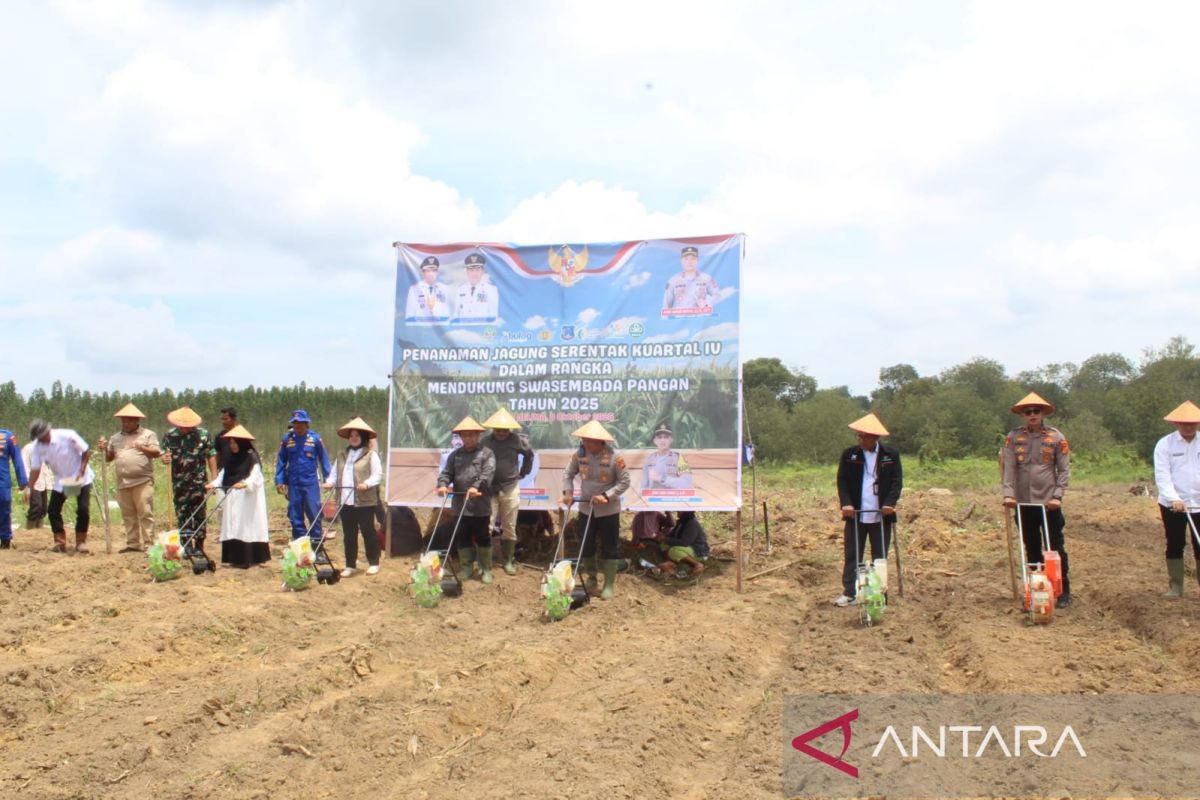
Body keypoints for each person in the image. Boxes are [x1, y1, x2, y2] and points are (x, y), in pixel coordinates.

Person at [1002, 392, 1072, 608]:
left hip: (1048, 500)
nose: (1032, 415)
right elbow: (1009, 466)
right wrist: (1008, 493)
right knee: (1031, 546)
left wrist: (1058, 495)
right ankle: (1035, 588)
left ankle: (1062, 590)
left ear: (1042, 414)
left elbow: (1064, 469)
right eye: (1028, 412)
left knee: (1054, 546)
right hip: (1023, 501)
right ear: (1023, 415)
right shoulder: (1013, 438)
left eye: (1036, 411)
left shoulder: (1056, 437)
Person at [834, 413, 902, 607]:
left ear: (875, 438)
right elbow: (842, 481)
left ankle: (878, 593)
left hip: (881, 514)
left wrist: (890, 503)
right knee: (853, 553)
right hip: (856, 512)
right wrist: (846, 503)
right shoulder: (850, 455)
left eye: (864, 437)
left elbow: (897, 482)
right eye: (859, 436)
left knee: (879, 555)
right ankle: (850, 592)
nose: (860, 440)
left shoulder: (891, 455)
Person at [561, 420, 630, 599]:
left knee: (610, 546)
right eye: (584, 440)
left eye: (590, 441)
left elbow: (625, 481)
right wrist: (568, 493)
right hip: (586, 508)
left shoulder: (615, 457)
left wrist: (606, 496)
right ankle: (591, 578)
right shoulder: (579, 455)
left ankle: (608, 584)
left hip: (608, 510)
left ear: (600, 441)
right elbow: (567, 474)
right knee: (586, 544)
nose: (586, 444)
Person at [437, 416, 496, 583]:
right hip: (460, 503)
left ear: (478, 436)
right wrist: (443, 484)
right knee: (462, 536)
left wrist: (476, 486)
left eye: (472, 435)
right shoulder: (455, 455)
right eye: (465, 435)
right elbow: (446, 473)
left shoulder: (487, 454)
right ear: (460, 437)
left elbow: (487, 474)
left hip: (480, 505)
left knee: (482, 536)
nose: (468, 438)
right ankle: (466, 568)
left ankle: (485, 569)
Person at [324, 417, 384, 577]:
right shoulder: (342, 454)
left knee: (368, 531)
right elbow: (334, 473)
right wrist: (329, 482)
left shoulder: (371, 455)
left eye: (357, 435)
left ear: (363, 437)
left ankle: (373, 562)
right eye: (351, 435)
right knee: (349, 534)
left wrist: (367, 483)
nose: (353, 438)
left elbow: (378, 475)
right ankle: (350, 564)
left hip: (364, 501)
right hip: (345, 500)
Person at [1152, 400, 1200, 597]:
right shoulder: (1165, 444)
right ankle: (1176, 586)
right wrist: (1173, 498)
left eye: (1193, 423)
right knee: (1175, 542)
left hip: (1198, 503)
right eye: (1184, 423)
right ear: (1176, 424)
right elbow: (1162, 475)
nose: (1188, 427)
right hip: (1173, 504)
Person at [99, 403, 161, 553]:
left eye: (128, 421)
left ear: (136, 421)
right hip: (123, 482)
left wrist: (142, 447)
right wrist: (103, 448)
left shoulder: (147, 435)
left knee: (145, 512)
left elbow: (156, 453)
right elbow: (109, 458)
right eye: (123, 421)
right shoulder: (115, 438)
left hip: (142, 481)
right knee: (128, 514)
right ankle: (132, 543)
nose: (125, 424)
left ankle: (149, 544)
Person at [27, 419, 95, 553]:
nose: (41, 440)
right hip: (61, 479)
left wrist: (81, 471)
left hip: (81, 477)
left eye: (42, 437)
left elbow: (86, 451)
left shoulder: (67, 436)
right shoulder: (37, 446)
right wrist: (30, 487)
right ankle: (59, 541)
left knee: (83, 509)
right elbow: (35, 468)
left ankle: (81, 541)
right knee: (53, 510)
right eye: (38, 438)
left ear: (47, 432)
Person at [208, 424, 270, 568]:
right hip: (232, 496)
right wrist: (214, 483)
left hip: (247, 498)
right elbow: (223, 474)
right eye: (231, 443)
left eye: (235, 442)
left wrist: (246, 484)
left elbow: (256, 476)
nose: (233, 446)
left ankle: (248, 558)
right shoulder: (229, 458)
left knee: (245, 525)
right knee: (232, 525)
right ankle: (234, 558)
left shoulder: (251, 456)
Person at [482, 407, 534, 575]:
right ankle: (485, 564)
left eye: (504, 430)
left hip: (510, 487)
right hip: (489, 489)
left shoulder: (517, 441)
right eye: (498, 429)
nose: (501, 433)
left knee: (509, 526)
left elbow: (529, 455)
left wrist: (524, 472)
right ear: (493, 429)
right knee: (486, 526)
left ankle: (508, 561)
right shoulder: (485, 442)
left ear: (509, 429)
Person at [160, 406, 218, 557]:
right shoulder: (169, 435)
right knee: (182, 515)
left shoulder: (203, 435)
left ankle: (199, 546)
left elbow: (211, 455)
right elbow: (164, 455)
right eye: (182, 426)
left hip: (198, 483)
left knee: (199, 514)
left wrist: (215, 478)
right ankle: (186, 545)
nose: (185, 428)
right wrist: (164, 459)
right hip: (179, 484)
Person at [275, 409, 332, 546]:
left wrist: (328, 480)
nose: (298, 426)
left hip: (310, 483)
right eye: (295, 423)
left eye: (301, 423)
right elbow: (281, 461)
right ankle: (301, 548)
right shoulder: (287, 440)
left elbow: (324, 460)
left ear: (307, 424)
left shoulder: (315, 439)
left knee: (314, 514)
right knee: (295, 516)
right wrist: (279, 480)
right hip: (293, 484)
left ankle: (317, 548)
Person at [661, 245, 718, 314]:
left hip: (700, 319)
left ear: (697, 260)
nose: (689, 262)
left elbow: (717, 295)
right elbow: (666, 306)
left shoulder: (706, 278)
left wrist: (707, 303)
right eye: (686, 259)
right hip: (678, 320)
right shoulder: (673, 280)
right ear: (681, 261)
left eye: (693, 258)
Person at [640, 424, 693, 490]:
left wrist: (661, 478)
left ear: (671, 440)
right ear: (654, 441)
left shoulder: (679, 458)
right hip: (652, 498)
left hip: (672, 498)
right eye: (659, 437)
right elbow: (643, 487)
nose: (662, 440)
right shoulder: (649, 459)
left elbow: (687, 483)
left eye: (666, 437)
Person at [655, 511, 710, 576]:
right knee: (663, 544)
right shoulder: (681, 521)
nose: (678, 512)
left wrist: (666, 539)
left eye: (680, 511)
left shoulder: (692, 523)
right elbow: (672, 535)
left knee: (674, 550)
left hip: (698, 550)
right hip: (686, 547)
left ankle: (697, 564)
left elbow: (684, 542)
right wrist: (663, 537)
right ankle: (671, 562)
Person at [1, 425, 28, 550]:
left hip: (2, 483)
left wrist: (23, 481)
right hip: (3, 483)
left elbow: (17, 458)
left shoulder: (7, 436)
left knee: (4, 511)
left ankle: (5, 540)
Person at [452, 253, 500, 324]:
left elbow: (493, 317)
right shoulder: (460, 290)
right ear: (467, 272)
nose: (474, 273)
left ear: (482, 272)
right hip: (464, 330)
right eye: (471, 270)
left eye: (477, 270)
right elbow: (456, 314)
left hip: (482, 331)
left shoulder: (491, 290)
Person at [404, 256, 451, 323]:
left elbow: (448, 314)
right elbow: (409, 314)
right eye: (428, 271)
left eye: (434, 270)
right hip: (421, 329)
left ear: (437, 272)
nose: (431, 274)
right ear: (423, 272)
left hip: (441, 328)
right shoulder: (414, 289)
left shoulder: (445, 288)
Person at [21, 439, 53, 530]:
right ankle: (30, 530)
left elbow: (46, 466)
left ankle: (39, 530)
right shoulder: (28, 448)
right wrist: (27, 483)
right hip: (32, 482)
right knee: (36, 506)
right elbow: (25, 465)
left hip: (42, 482)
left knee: (43, 508)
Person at [214, 406, 239, 471]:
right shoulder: (220, 436)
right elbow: (217, 455)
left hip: (239, 472)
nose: (223, 422)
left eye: (226, 419)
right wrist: (215, 472)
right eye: (222, 419)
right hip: (224, 472)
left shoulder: (241, 435)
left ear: (233, 419)